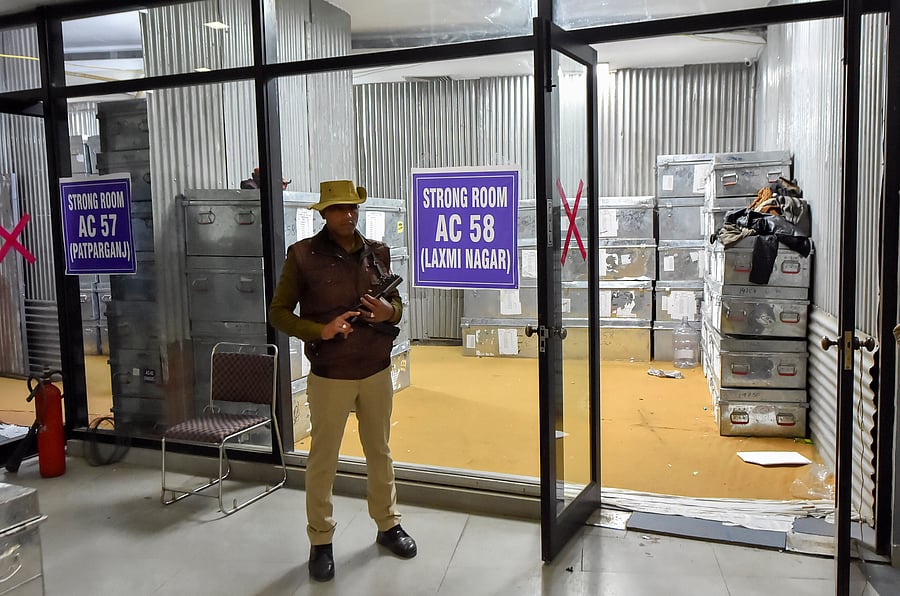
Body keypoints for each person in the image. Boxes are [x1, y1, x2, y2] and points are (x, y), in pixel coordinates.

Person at [268, 179, 415, 582]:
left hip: (376, 370)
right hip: (330, 375)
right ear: (323, 213)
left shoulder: (377, 253)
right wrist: (322, 330)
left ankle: (388, 526)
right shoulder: (302, 256)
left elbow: (397, 303)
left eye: (352, 208)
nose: (348, 215)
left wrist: (390, 313)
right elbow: (279, 313)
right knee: (323, 460)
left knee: (379, 451)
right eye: (338, 209)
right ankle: (320, 541)